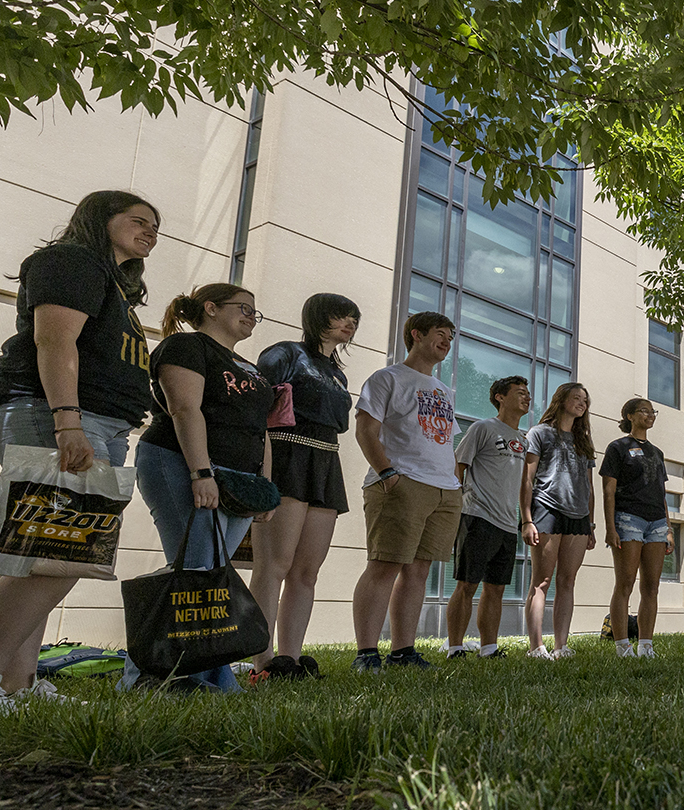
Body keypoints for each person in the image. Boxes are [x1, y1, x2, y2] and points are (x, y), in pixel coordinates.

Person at [0, 192, 161, 709]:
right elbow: (53, 342)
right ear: (100, 221)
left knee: (53, 558)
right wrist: (67, 423)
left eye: (155, 226)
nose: (150, 232)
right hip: (52, 413)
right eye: (138, 221)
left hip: (94, 423)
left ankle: (17, 685)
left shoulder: (112, 285)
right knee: (54, 553)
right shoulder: (71, 261)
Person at [132, 282, 279, 692]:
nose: (251, 316)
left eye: (256, 311)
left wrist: (264, 485)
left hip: (236, 479)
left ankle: (204, 673)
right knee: (194, 570)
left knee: (213, 573)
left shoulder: (249, 367)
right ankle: (149, 674)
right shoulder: (186, 347)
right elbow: (184, 408)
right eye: (244, 308)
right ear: (211, 308)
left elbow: (260, 429)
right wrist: (201, 473)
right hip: (179, 463)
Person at [249, 293, 360, 681]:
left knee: (307, 570)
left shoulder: (338, 373)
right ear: (317, 317)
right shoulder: (284, 354)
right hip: (286, 456)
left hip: (326, 461)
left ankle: (291, 659)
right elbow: (256, 409)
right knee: (273, 564)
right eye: (340, 316)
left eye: (353, 318)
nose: (349, 323)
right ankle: (261, 661)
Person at [352, 311, 461, 672]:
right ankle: (367, 653)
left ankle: (403, 651)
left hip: (444, 488)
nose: (446, 342)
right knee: (384, 566)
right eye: (440, 334)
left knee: (418, 570)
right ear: (416, 334)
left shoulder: (444, 390)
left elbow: (440, 440)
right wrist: (387, 473)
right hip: (402, 482)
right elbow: (366, 430)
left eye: (450, 337)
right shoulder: (387, 378)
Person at [446, 375, 532, 657]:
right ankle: (455, 647)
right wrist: (454, 508)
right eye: (519, 392)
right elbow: (458, 467)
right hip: (477, 516)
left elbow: (522, 484)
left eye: (527, 393)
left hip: (508, 524)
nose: (527, 397)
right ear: (500, 397)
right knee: (467, 584)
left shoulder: (522, 439)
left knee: (495, 589)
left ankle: (489, 648)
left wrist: (524, 519)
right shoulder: (483, 428)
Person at [522, 382, 597, 659]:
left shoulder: (584, 441)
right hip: (546, 510)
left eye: (585, 400)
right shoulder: (540, 433)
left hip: (578, 517)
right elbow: (527, 480)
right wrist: (527, 520)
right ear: (561, 399)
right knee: (542, 580)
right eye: (576, 397)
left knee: (568, 580)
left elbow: (589, 487)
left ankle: (561, 646)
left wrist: (590, 524)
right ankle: (536, 646)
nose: (581, 403)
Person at [600, 397, 670, 658]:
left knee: (651, 586)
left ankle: (646, 644)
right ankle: (621, 645)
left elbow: (661, 492)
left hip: (657, 523)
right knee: (625, 582)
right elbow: (608, 490)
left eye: (653, 411)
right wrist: (610, 527)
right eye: (644, 411)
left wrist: (669, 528)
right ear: (629, 415)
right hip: (628, 518)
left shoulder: (657, 452)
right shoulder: (617, 448)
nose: (650, 415)